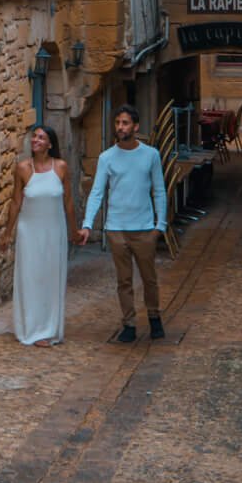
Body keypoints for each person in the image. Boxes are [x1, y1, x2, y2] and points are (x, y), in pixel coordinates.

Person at [77, 106, 168, 344]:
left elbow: (159, 190)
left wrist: (161, 224)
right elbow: (97, 192)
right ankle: (128, 323)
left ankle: (154, 315)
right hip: (116, 228)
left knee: (149, 278)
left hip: (144, 228)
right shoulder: (107, 157)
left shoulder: (151, 155)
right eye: (118, 122)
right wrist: (88, 223)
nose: (120, 127)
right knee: (124, 280)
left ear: (135, 127)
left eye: (125, 123)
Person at [0, 125, 77, 346]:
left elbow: (68, 203)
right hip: (29, 232)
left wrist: (74, 231)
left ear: (50, 144)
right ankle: (30, 329)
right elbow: (16, 202)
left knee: (51, 279)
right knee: (30, 278)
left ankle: (49, 328)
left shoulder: (61, 167)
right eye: (34, 136)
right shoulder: (22, 168)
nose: (35, 140)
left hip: (54, 231)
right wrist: (7, 233)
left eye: (41, 137)